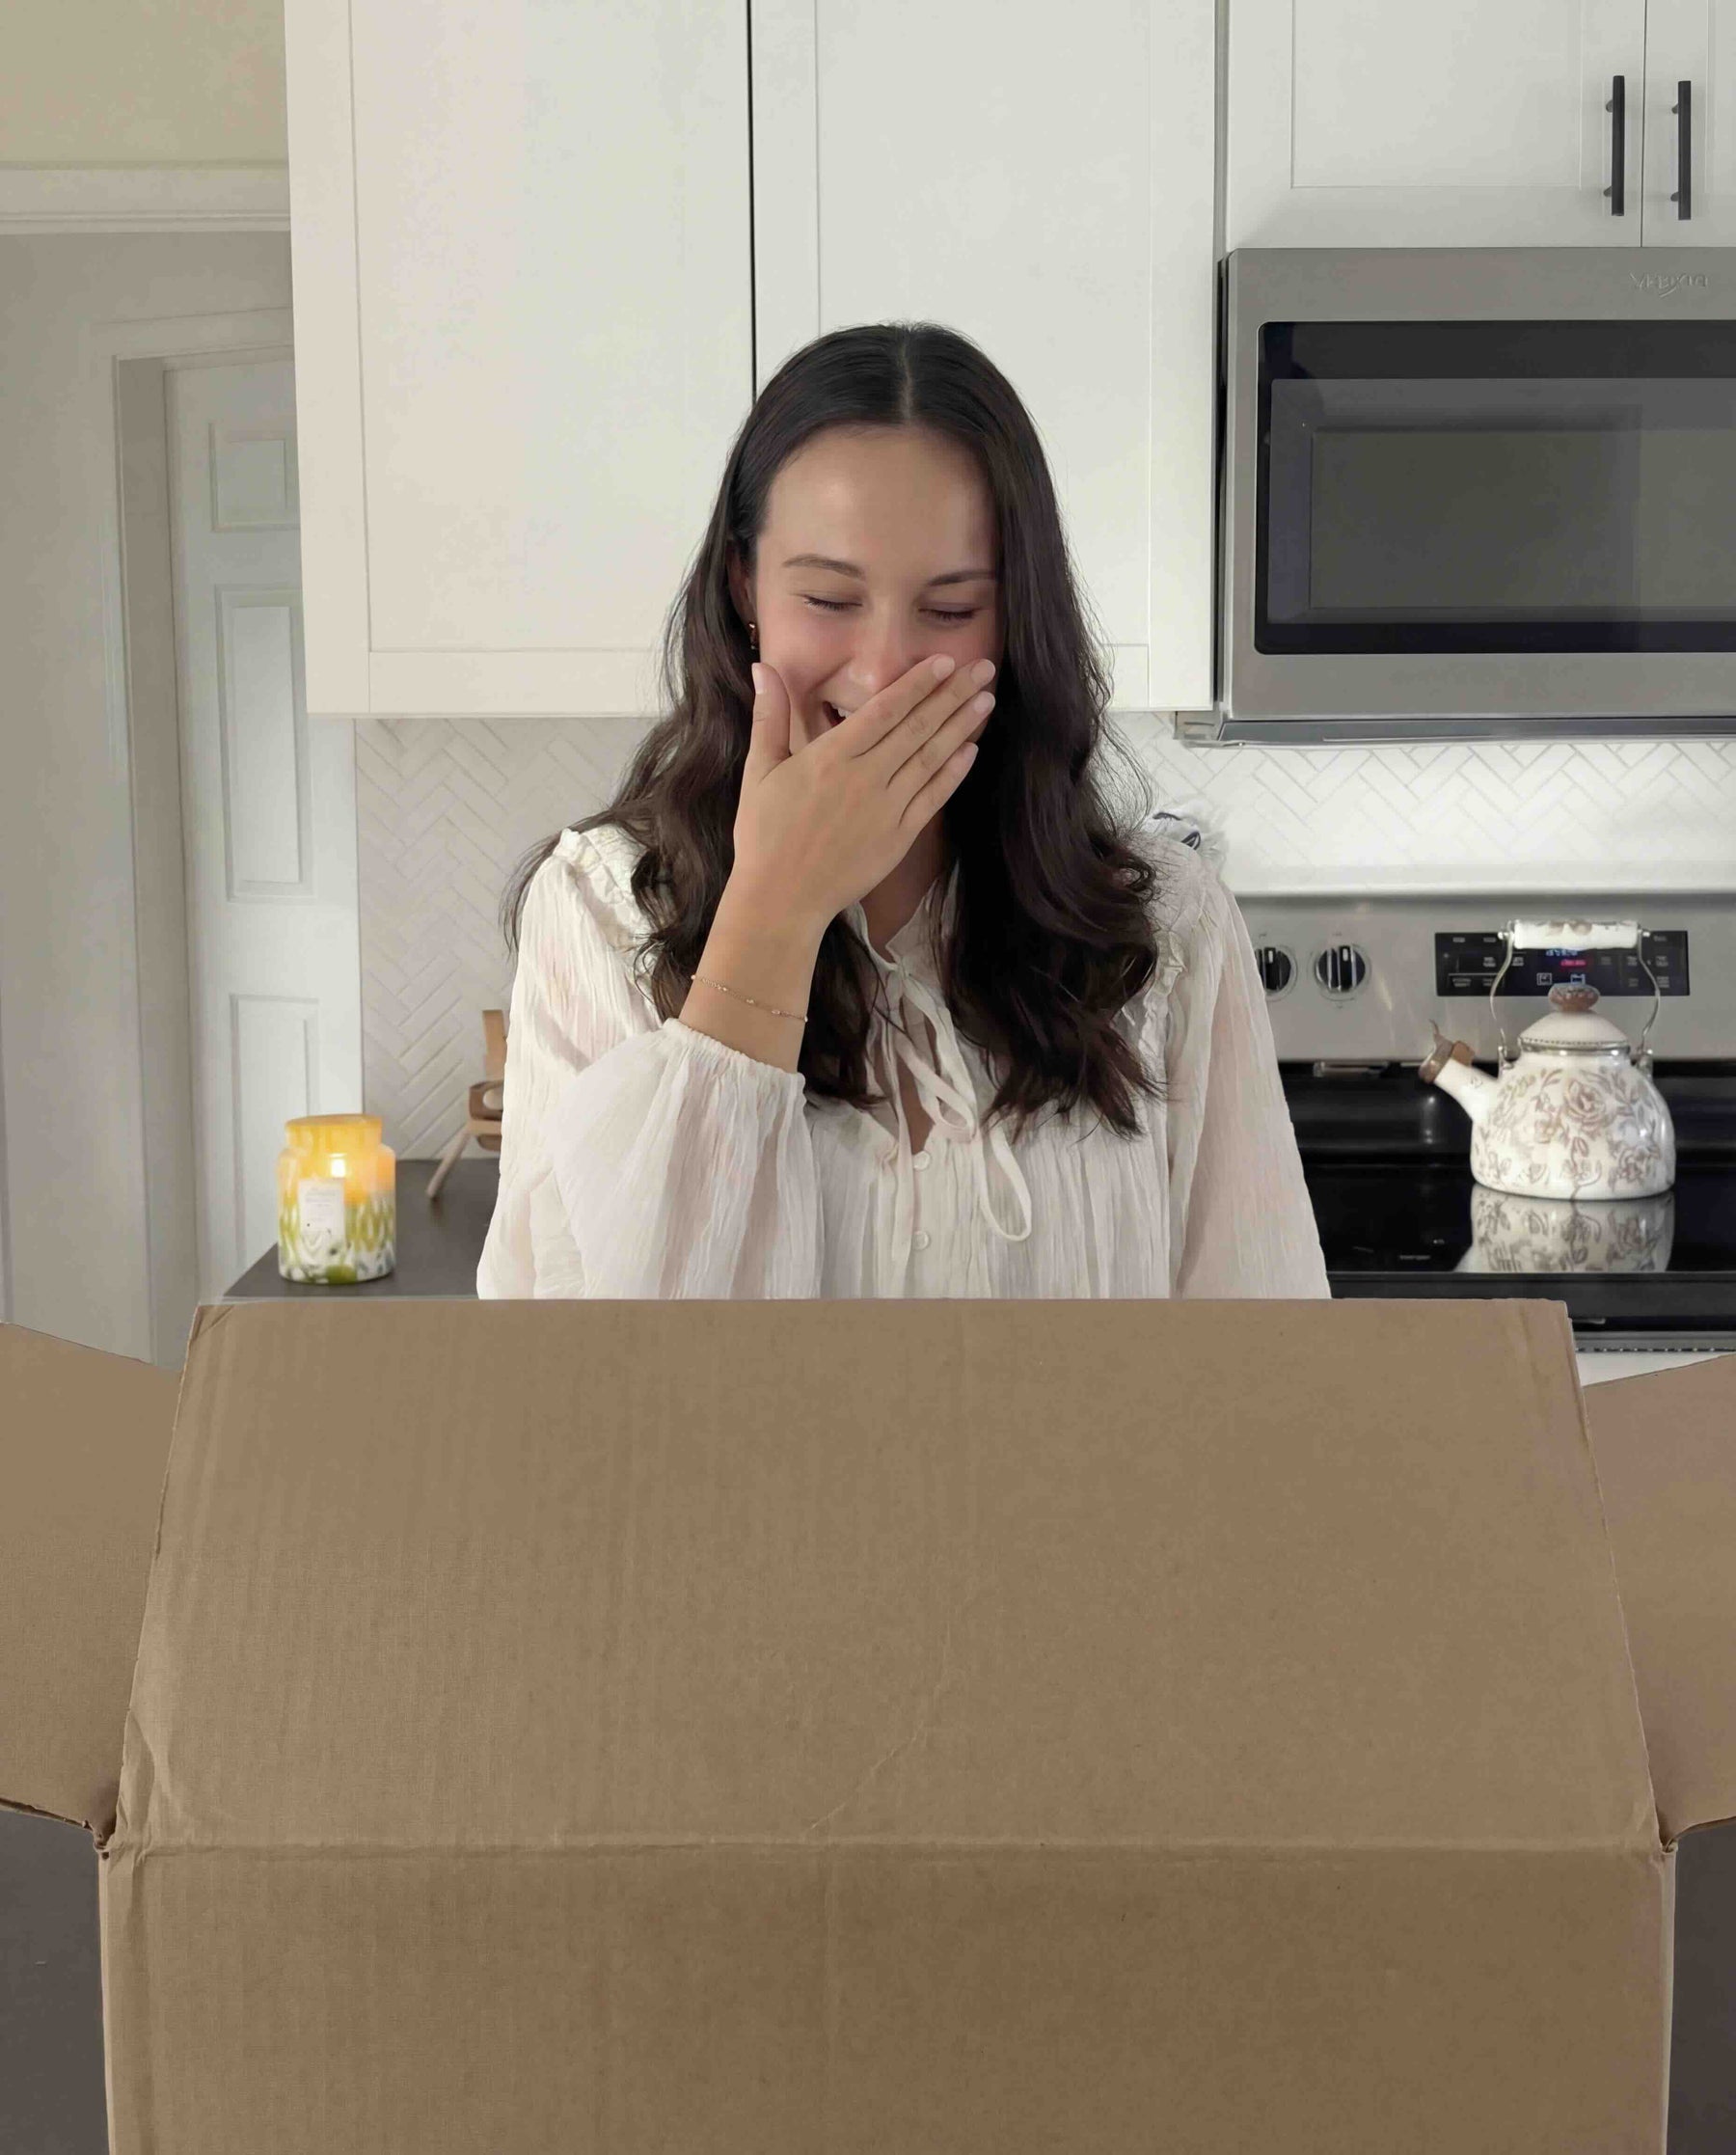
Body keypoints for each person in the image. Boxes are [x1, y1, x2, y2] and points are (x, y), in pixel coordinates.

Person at [475, 323, 1330, 1301]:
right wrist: (775, 910)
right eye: (829, 599)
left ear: (1016, 616)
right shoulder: (598, 910)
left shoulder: (1170, 926)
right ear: (745, 585)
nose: (884, 674)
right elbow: (599, 1367)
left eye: (952, 609)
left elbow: (1264, 1343)